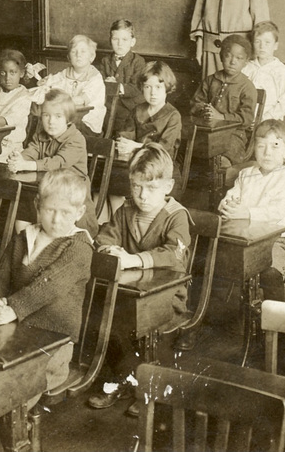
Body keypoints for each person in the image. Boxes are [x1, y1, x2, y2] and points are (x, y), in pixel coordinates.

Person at [0, 170, 94, 448]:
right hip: (14, 338)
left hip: (52, 344)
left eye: (65, 212)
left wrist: (11, 309)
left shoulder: (79, 248)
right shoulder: (25, 236)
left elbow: (47, 287)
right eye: (50, 210)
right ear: (37, 204)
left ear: (79, 212)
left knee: (7, 396)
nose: (56, 219)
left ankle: (12, 441)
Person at [87, 144, 191, 417]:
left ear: (168, 186)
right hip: (129, 294)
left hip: (168, 297)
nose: (142, 196)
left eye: (151, 188)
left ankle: (149, 388)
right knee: (104, 320)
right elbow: (105, 236)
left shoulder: (176, 216)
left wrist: (135, 259)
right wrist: (108, 249)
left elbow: (174, 254)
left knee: (146, 329)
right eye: (136, 187)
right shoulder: (126, 211)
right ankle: (123, 377)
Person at [219, 119, 285, 297]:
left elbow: (278, 212)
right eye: (261, 146)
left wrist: (247, 213)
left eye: (275, 146)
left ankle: (275, 314)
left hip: (276, 241)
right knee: (214, 263)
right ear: (254, 148)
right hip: (243, 237)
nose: (267, 153)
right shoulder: (246, 175)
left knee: (270, 272)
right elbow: (232, 196)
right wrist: (228, 205)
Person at [7, 89, 99, 236]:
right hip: (47, 194)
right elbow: (32, 151)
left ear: (68, 119)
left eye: (58, 116)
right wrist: (19, 158)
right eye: (46, 115)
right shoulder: (41, 136)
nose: (51, 121)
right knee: (21, 217)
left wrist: (28, 165)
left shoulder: (76, 139)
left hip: (73, 200)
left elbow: (59, 162)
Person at [190, 33, 257, 167]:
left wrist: (221, 116)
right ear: (221, 56)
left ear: (245, 62)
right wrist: (205, 111)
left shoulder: (247, 87)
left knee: (222, 158)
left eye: (239, 58)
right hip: (207, 131)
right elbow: (195, 103)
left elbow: (246, 119)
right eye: (228, 55)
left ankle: (219, 183)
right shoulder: (210, 80)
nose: (233, 61)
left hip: (234, 136)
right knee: (189, 150)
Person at [36, 34, 106, 135]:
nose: (78, 55)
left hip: (87, 122)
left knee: (56, 122)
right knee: (43, 118)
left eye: (83, 51)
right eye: (74, 52)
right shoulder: (65, 73)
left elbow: (81, 99)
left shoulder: (95, 77)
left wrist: (61, 102)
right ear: (69, 57)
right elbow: (53, 81)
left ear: (92, 56)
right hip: (67, 117)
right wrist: (45, 82)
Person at [116, 61, 182, 161]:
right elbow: (126, 135)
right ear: (142, 88)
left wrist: (137, 147)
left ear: (167, 88)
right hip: (135, 160)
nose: (152, 93)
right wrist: (123, 143)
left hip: (160, 164)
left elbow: (164, 148)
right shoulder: (137, 110)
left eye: (158, 87)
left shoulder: (173, 115)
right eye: (147, 87)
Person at [97, 19, 147, 134]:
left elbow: (137, 87)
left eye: (124, 39)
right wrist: (107, 83)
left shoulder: (138, 61)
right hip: (108, 106)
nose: (120, 43)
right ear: (110, 41)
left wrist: (118, 87)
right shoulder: (105, 60)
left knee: (123, 130)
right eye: (115, 39)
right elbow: (97, 83)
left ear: (132, 42)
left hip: (130, 108)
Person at [242, 21, 285, 122]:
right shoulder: (246, 68)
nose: (262, 46)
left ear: (275, 46)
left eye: (267, 42)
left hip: (269, 122)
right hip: (245, 119)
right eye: (257, 42)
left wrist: (263, 118)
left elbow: (284, 104)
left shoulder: (281, 72)